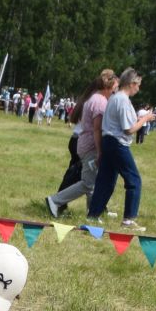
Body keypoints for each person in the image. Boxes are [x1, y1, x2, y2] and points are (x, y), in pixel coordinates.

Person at [85, 68, 150, 227]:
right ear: (132, 83)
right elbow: (129, 129)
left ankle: (93, 214)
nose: (138, 89)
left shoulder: (115, 98)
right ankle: (129, 218)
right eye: (138, 85)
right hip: (118, 144)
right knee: (134, 180)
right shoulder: (122, 99)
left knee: (105, 180)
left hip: (108, 141)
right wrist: (145, 119)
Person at [48, 70, 116, 217]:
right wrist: (99, 151)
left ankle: (93, 212)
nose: (115, 92)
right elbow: (97, 129)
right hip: (89, 146)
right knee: (87, 183)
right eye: (114, 88)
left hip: (84, 143)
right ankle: (55, 200)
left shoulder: (94, 98)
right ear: (108, 87)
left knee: (90, 181)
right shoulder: (100, 102)